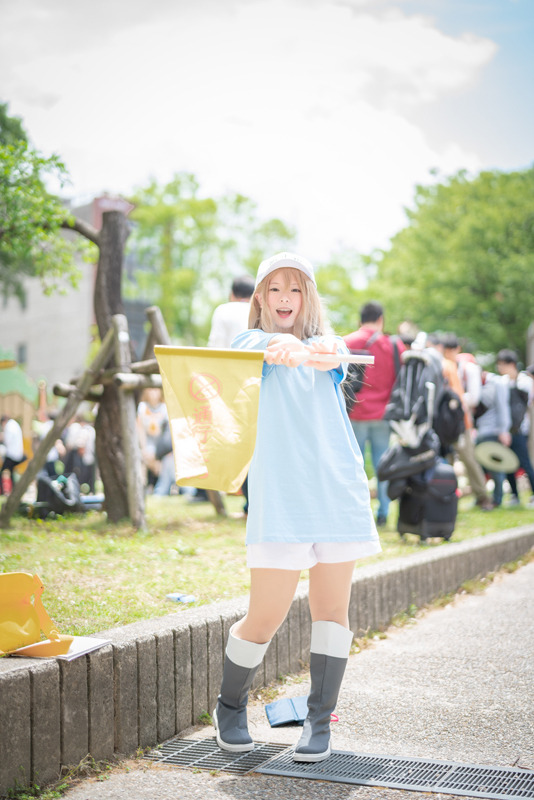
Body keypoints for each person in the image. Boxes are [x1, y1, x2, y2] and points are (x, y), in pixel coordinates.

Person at [212, 252, 381, 763]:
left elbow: (331, 350)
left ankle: (318, 720)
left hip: (336, 488)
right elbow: (257, 348)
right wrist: (277, 346)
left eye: (296, 289)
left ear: (308, 297)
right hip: (281, 494)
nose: (285, 298)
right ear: (260, 297)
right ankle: (230, 706)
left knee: (332, 612)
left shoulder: (330, 348)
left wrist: (325, 349)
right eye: (275, 289)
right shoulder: (248, 343)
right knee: (265, 614)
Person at [344, 301, 404, 526]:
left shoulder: (347, 342)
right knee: (382, 464)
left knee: (354, 466)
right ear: (381, 320)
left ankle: (356, 513)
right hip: (383, 414)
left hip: (354, 412)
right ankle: (384, 512)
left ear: (360, 319)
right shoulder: (394, 346)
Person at [206, 275, 255, 512]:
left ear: (232, 293)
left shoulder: (223, 311)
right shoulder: (260, 309)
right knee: (256, 441)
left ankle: (245, 498)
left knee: (237, 441)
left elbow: (215, 346)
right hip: (257, 381)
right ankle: (253, 502)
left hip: (230, 383)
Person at [440, 334, 493, 510]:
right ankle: (448, 496)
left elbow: (471, 398)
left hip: (462, 422)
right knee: (447, 459)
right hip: (446, 421)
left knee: (468, 458)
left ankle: (483, 497)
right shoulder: (445, 365)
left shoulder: (466, 367)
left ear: (457, 350)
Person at [496, 349, 534, 507]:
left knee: (525, 462)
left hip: (519, 429)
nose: (499, 368)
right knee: (507, 463)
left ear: (511, 364)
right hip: (506, 430)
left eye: (502, 364)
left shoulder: (524, 381)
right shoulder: (503, 382)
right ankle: (514, 495)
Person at [474, 371, 511, 508]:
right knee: (481, 465)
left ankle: (497, 499)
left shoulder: (497, 383)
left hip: (494, 431)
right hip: (481, 431)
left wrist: (503, 430)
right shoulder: (478, 385)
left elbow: (503, 407)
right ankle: (482, 497)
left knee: (496, 467)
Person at [207, 275, 255, 348]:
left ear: (232, 294)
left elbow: (216, 343)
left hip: (227, 358)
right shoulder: (258, 312)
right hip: (254, 358)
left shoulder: (223, 310)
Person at [0, 415, 26, 494]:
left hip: (12, 454)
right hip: (17, 453)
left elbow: (7, 441)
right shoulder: (14, 424)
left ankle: (2, 491)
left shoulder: (9, 426)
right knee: (10, 472)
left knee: (3, 471)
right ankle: (14, 489)